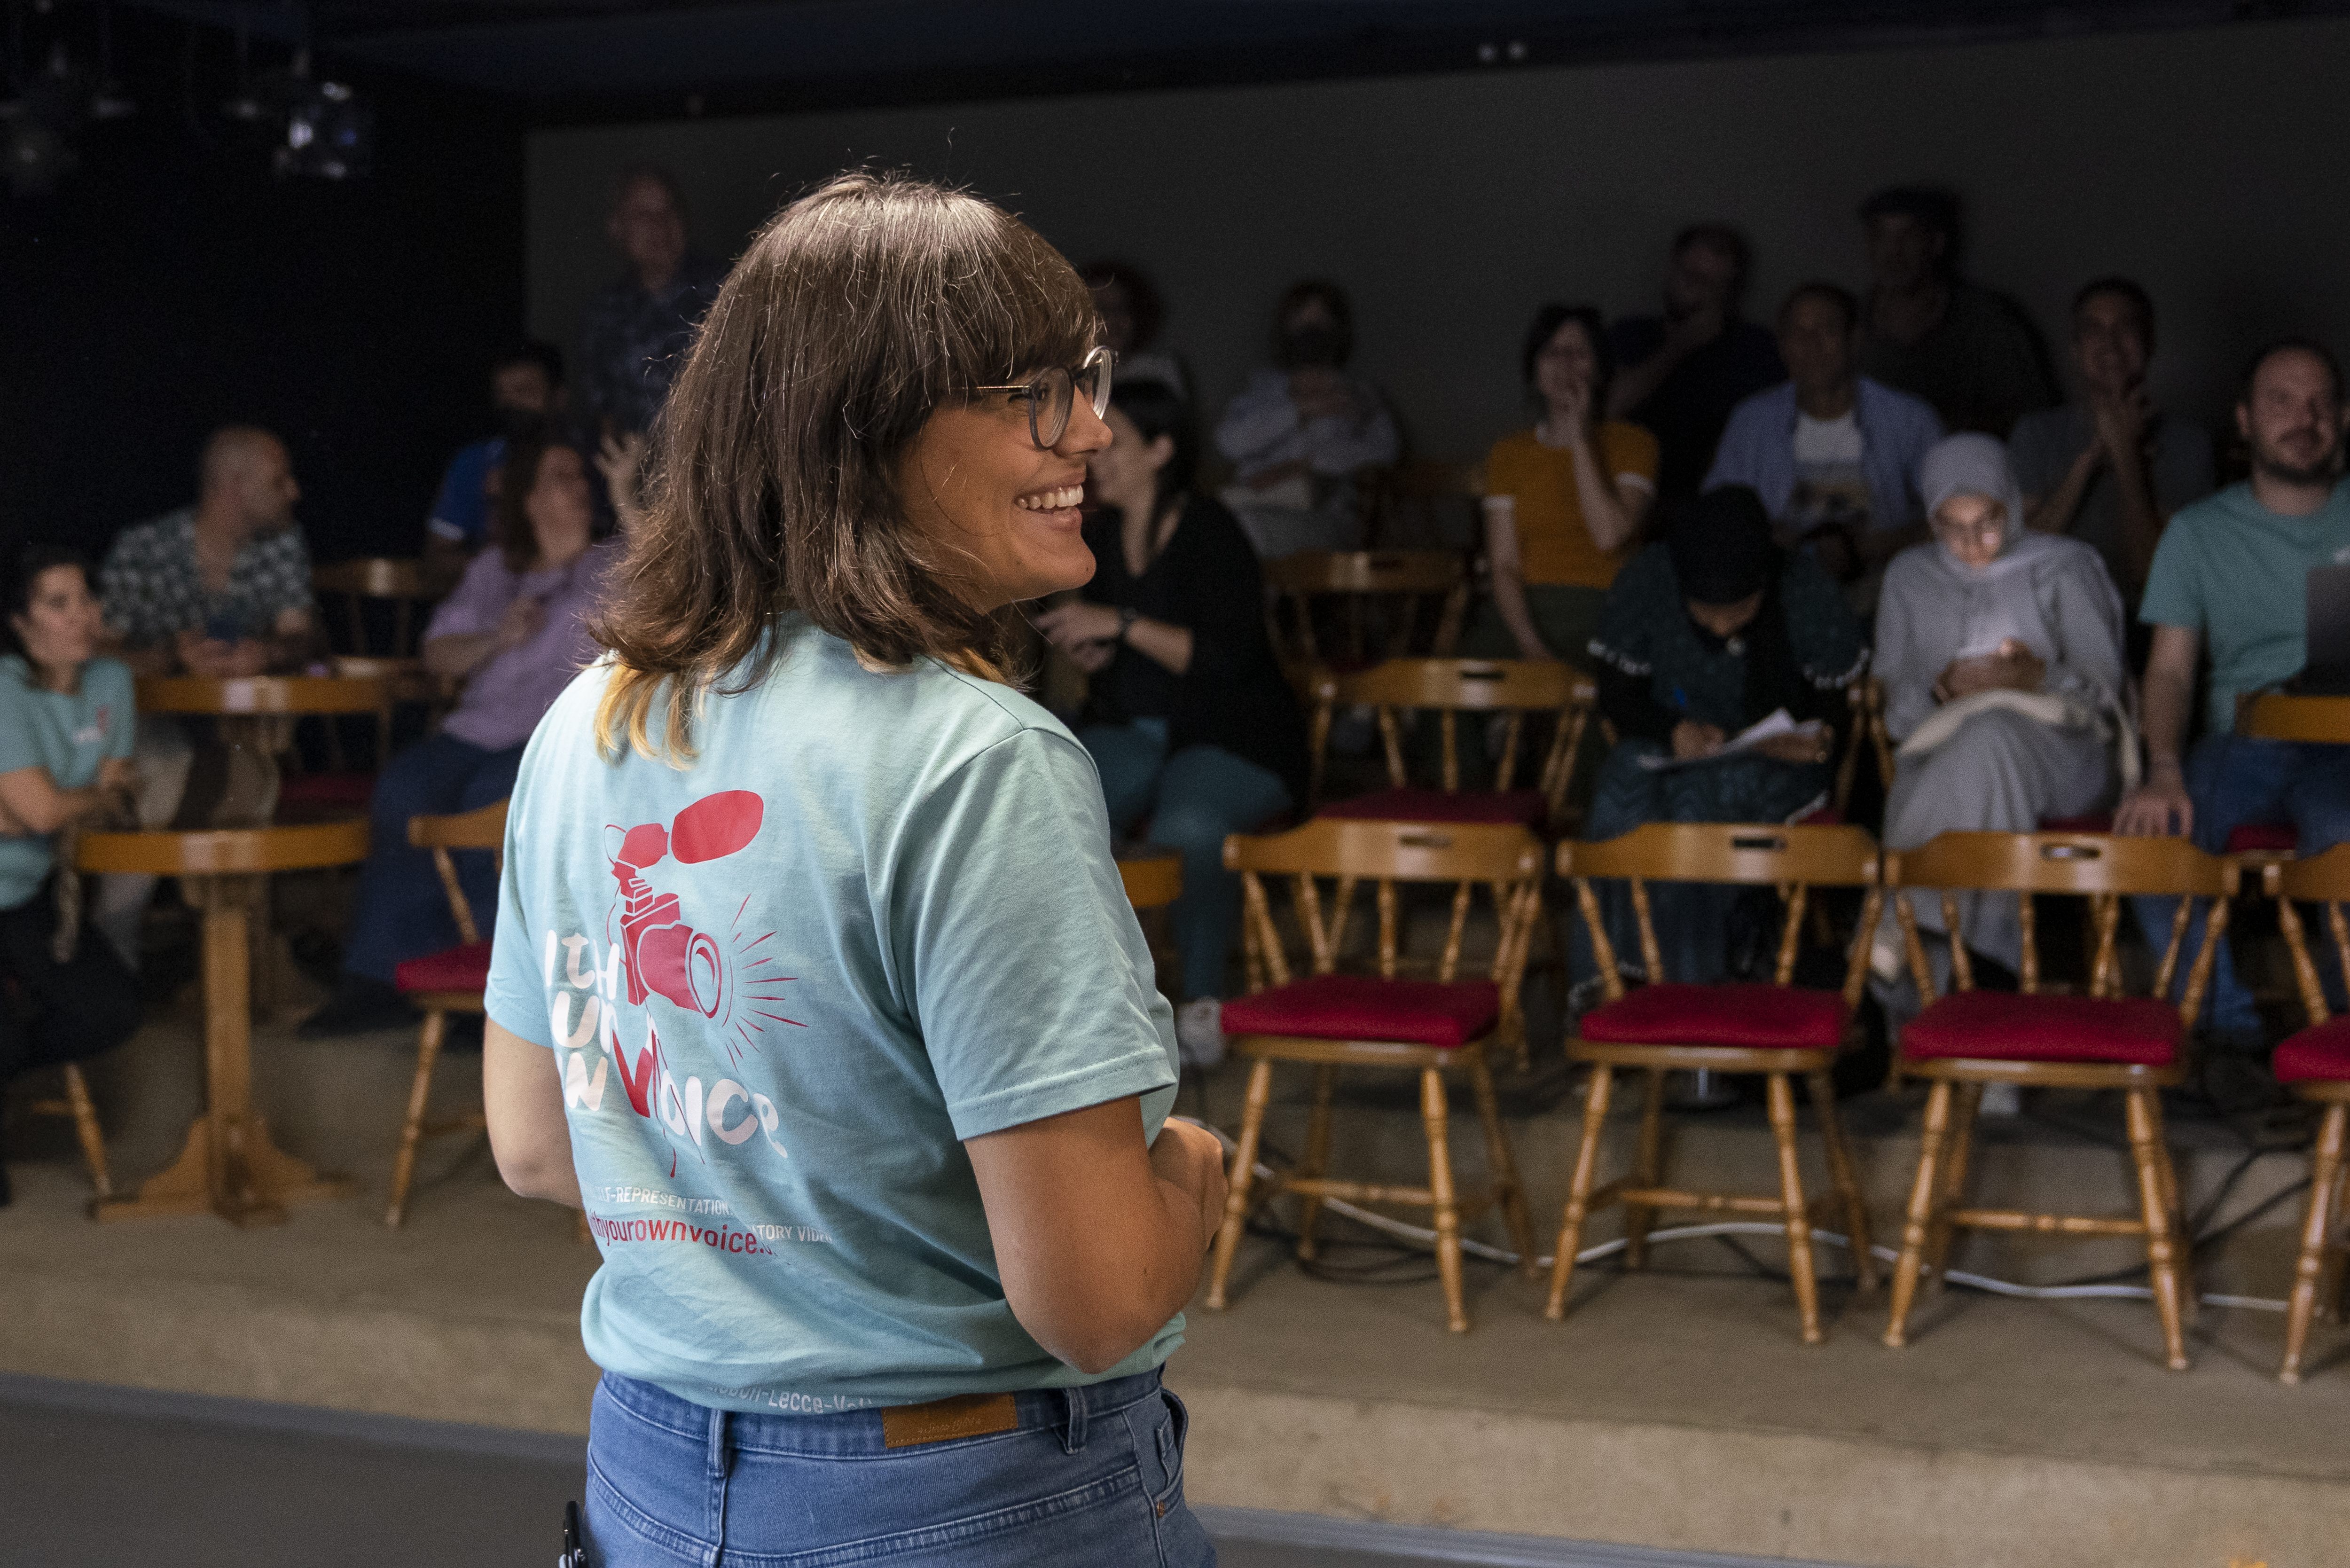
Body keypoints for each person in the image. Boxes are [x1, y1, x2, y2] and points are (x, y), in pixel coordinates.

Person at [480, 171, 1225, 1567]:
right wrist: (1188, 1169)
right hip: (953, 1500)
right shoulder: (976, 760)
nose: (1095, 430)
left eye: (1093, 383)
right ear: (862, 433)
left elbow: (532, 1147)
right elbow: (1097, 1299)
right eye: (1036, 394)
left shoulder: (588, 717)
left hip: (649, 1478)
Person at [299, 431, 635, 1038]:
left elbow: (667, 579)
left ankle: (488, 991)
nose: (579, 487)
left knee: (493, 799)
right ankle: (382, 978)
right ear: (529, 499)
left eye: (582, 478)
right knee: (404, 788)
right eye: (562, 477)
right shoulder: (493, 570)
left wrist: (626, 497)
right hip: (477, 728)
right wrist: (497, 638)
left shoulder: (611, 565)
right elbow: (439, 656)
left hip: (556, 740)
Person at [1035, 376, 1308, 1062]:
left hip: (1234, 735)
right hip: (1137, 733)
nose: (1095, 454)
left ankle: (1203, 1006)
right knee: (1048, 806)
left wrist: (1122, 625)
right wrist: (1093, 648)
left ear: (1161, 449)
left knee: (1191, 826)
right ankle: (1070, 1009)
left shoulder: (1211, 529)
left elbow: (1224, 656)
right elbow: (1108, 650)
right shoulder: (1097, 534)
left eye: (1113, 440)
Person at [2117, 339, 2350, 1051]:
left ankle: (2340, 1041)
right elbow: (2170, 672)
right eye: (2281, 401)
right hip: (2242, 743)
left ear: (2343, 419)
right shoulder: (2198, 532)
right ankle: (2229, 1037)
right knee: (2154, 846)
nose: (2302, 418)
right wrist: (2161, 768)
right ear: (2245, 421)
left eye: (2318, 404)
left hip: (2344, 745)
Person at [1580, 486, 1866, 986]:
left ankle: (1692, 980)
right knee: (1619, 788)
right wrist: (1672, 730)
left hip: (1776, 755)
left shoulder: (1803, 589)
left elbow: (1835, 704)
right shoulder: (1650, 578)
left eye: (1737, 611)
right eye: (1704, 611)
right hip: (1670, 741)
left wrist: (1818, 740)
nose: (1719, 625)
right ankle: (1610, 975)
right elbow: (1617, 692)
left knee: (1700, 799)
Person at [1873, 435, 2128, 987]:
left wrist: (2034, 676)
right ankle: (1984, 976)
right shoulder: (1908, 578)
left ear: (2011, 505)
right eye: (1952, 527)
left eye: (1986, 521)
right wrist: (1940, 689)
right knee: (1971, 746)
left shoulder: (2064, 565)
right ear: (1931, 520)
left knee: (1988, 736)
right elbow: (1894, 713)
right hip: (1941, 748)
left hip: (2064, 753)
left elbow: (2103, 691)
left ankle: (1899, 916)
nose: (1971, 543)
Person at [94, 427, 320, 962]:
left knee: (239, 776)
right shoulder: (146, 547)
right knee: (152, 772)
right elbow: (97, 654)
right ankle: (117, 949)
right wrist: (174, 658)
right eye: (279, 479)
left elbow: (301, 637)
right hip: (148, 726)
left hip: (246, 732)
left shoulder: (282, 545)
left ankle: (223, 963)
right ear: (236, 485)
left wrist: (263, 653)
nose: (293, 492)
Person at [0, 546, 144, 1207]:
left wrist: (68, 805)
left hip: (27, 889)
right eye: (59, 604)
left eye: (87, 598)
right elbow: (44, 809)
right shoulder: (4, 686)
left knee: (111, 1008)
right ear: (21, 623)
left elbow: (103, 804)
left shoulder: (111, 681)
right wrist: (80, 801)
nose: (84, 615)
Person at [1706, 283, 1943, 613]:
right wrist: (1767, 539)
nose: (1812, 345)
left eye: (1827, 330)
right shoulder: (1752, 422)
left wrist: (1864, 549)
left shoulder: (1910, 420)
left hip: (1892, 596)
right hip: (1780, 599)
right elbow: (1715, 515)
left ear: (1853, 340)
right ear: (1783, 346)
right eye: (1798, 333)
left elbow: (1954, 519)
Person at [1471, 304, 1657, 672]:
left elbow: (1608, 535)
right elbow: (1504, 565)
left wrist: (1580, 439)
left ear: (1599, 370)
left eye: (1578, 353)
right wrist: (1531, 647)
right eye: (1552, 353)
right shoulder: (1509, 453)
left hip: (1601, 607)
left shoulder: (1634, 444)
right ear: (1535, 370)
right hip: (1523, 609)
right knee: (1445, 692)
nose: (1565, 365)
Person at [2010, 278, 2214, 602]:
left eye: (2126, 328)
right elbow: (2015, 558)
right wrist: (2088, 462)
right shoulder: (2036, 433)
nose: (2110, 342)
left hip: (2147, 629)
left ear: (2150, 343)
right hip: (2051, 622)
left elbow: (2150, 573)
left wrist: (2124, 452)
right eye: (2094, 330)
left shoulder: (2190, 442)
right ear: (2076, 349)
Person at [1214, 279, 1400, 559]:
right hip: (1255, 504)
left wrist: (1306, 467)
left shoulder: (1359, 395)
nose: (1311, 331)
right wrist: (1300, 410)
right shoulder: (1264, 389)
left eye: (1322, 319)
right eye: (1302, 319)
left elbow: (1385, 451)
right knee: (1222, 526)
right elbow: (1228, 442)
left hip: (1326, 520)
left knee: (1242, 530)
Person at [1853, 186, 2056, 440]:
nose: (1894, 252)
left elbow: (2032, 418)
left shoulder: (1985, 320)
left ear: (1936, 243)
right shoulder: (1847, 324)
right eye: (1880, 236)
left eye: (1909, 236)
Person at [1605, 224, 1786, 502]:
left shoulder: (1755, 349)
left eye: (1710, 284)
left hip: (1719, 504)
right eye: (1689, 276)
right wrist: (1678, 346)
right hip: (1631, 497)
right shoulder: (1632, 335)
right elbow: (1607, 407)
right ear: (1672, 271)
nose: (1695, 290)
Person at [578, 168, 726, 439]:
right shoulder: (606, 311)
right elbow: (603, 408)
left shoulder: (725, 291)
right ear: (617, 227)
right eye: (644, 215)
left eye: (670, 210)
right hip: (637, 469)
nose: (661, 225)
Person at [421, 341, 569, 588]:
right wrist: (497, 562)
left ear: (558, 397)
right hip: (492, 611)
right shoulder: (476, 463)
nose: (511, 405)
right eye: (502, 394)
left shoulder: (592, 465)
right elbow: (434, 563)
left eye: (525, 391)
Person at [1081, 259, 1188, 400]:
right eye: (1103, 310)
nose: (1114, 320)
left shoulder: (1159, 374)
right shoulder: (1067, 378)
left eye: (1122, 309)